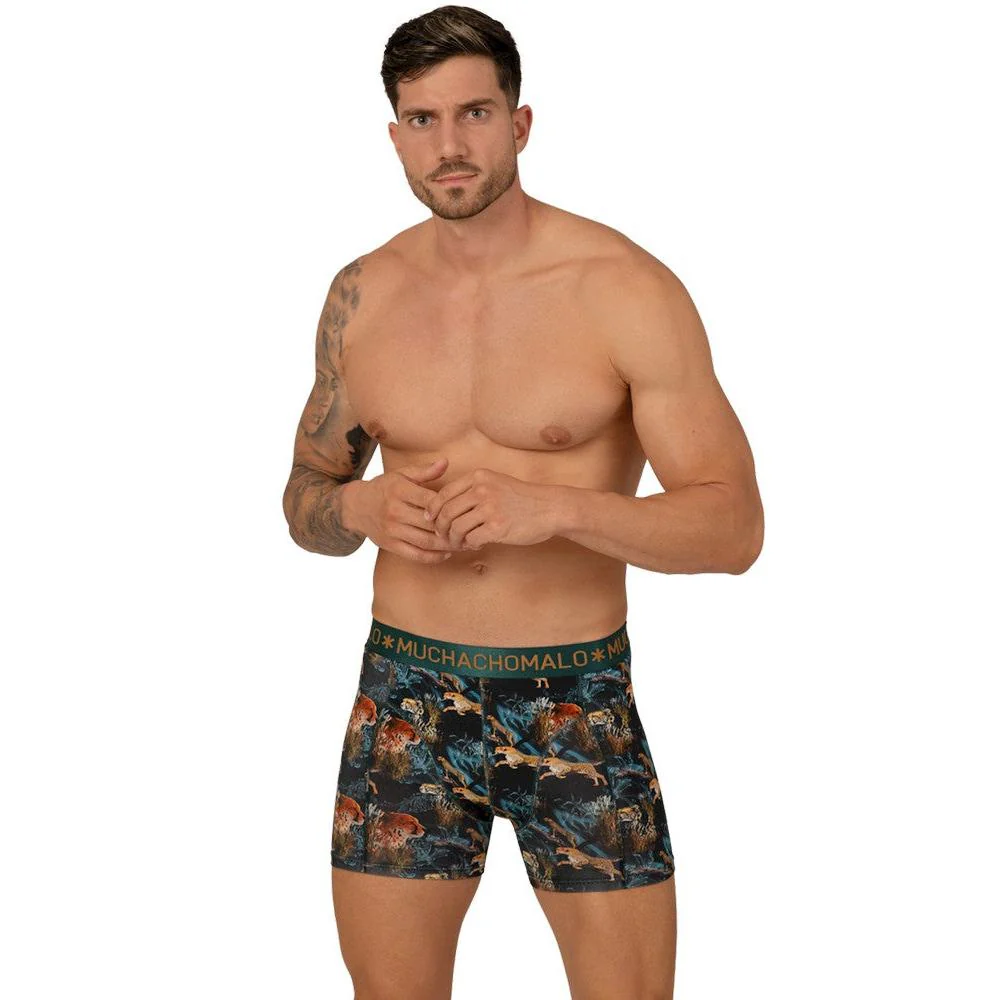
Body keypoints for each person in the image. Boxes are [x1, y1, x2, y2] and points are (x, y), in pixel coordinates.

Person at [281, 6, 764, 999]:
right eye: (422, 120)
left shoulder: (622, 288)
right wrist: (360, 511)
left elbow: (734, 527)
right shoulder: (361, 296)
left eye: (474, 113)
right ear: (395, 136)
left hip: (574, 700)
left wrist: (558, 510)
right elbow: (305, 500)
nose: (449, 146)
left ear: (520, 122)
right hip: (404, 696)